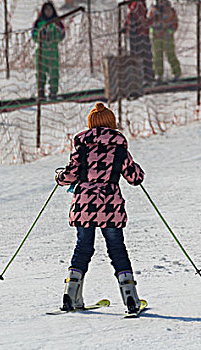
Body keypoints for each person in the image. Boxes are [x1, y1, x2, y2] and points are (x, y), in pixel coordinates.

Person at [55, 102, 145, 314]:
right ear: (112, 125)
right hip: (110, 206)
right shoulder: (119, 148)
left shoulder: (82, 148)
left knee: (83, 248)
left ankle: (71, 295)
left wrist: (59, 177)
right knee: (116, 248)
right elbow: (135, 177)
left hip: (84, 205)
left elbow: (69, 176)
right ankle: (130, 299)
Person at [32, 2, 65, 100]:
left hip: (53, 51)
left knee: (54, 72)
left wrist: (55, 35)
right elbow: (34, 35)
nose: (48, 12)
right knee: (40, 73)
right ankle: (41, 92)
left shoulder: (57, 22)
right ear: (43, 11)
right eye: (46, 10)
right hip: (42, 52)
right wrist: (41, 35)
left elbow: (62, 35)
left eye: (50, 9)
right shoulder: (38, 23)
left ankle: (53, 92)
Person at [148, 0, 181, 83]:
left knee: (170, 54)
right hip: (156, 37)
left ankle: (176, 73)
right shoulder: (153, 10)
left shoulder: (170, 10)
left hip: (167, 37)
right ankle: (159, 75)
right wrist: (152, 31)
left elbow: (175, 23)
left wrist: (169, 32)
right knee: (157, 57)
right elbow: (149, 23)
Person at [122, 0, 154, 83]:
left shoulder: (137, 4)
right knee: (136, 55)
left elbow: (139, 17)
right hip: (135, 34)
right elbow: (130, 16)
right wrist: (126, 26)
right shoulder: (132, 5)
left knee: (143, 54)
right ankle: (140, 76)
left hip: (140, 33)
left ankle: (147, 76)